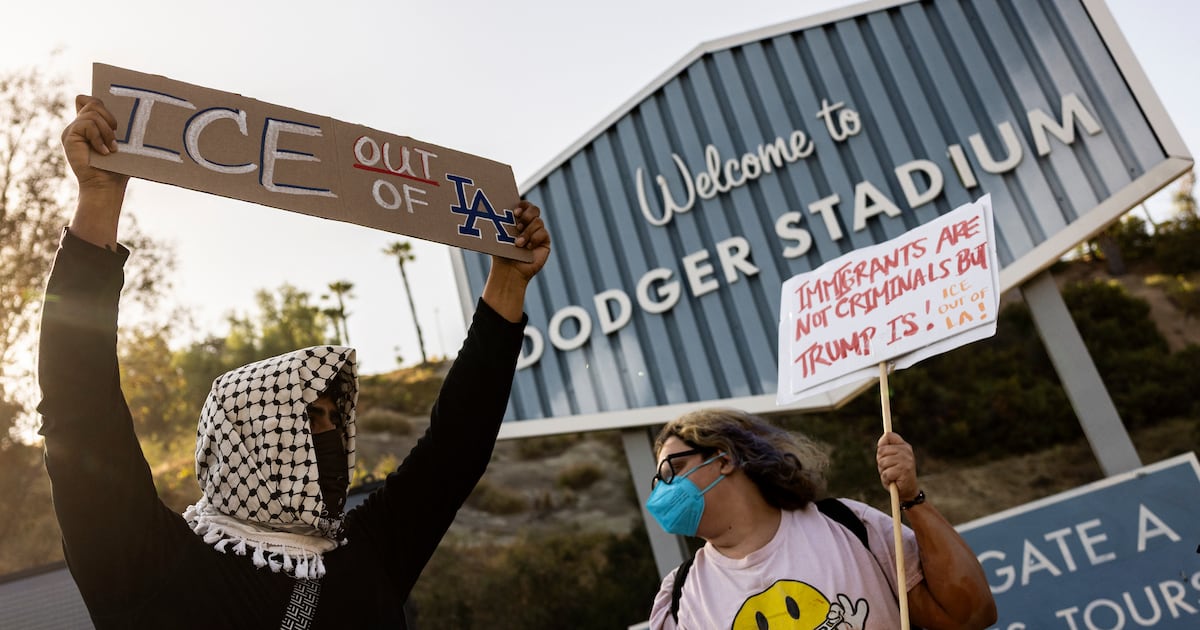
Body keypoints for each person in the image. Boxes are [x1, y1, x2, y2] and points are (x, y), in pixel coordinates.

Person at [38, 95, 551, 629]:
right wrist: (98, 198)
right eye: (311, 420)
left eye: (333, 418)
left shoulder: (366, 552)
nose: (331, 437)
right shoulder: (151, 565)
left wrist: (508, 283)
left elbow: (456, 448)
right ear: (248, 439)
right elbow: (80, 410)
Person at [645, 408, 997, 629]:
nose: (662, 491)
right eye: (658, 481)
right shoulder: (681, 598)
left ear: (724, 459)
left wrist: (910, 498)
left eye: (674, 470)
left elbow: (967, 617)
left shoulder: (850, 524)